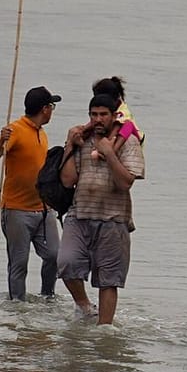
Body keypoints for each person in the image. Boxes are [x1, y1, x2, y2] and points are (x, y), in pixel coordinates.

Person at [56, 93, 146, 324]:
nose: (98, 119)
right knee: (66, 262)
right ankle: (85, 306)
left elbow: (125, 183)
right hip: (79, 214)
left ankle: (104, 328)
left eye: (103, 114)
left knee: (108, 280)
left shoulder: (128, 141)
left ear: (114, 116)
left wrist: (109, 153)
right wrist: (69, 145)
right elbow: (67, 180)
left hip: (114, 218)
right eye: (93, 114)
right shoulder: (83, 140)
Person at [0, 85, 62, 300]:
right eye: (52, 106)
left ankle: (47, 297)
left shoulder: (42, 133)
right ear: (45, 109)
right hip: (16, 210)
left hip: (44, 209)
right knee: (19, 263)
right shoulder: (16, 130)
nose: (52, 111)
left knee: (55, 256)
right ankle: (18, 305)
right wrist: (1, 140)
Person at [91, 76, 144, 148]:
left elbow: (118, 126)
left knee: (127, 125)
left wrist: (109, 142)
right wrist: (83, 129)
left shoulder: (123, 111)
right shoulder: (110, 108)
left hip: (134, 137)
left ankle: (113, 148)